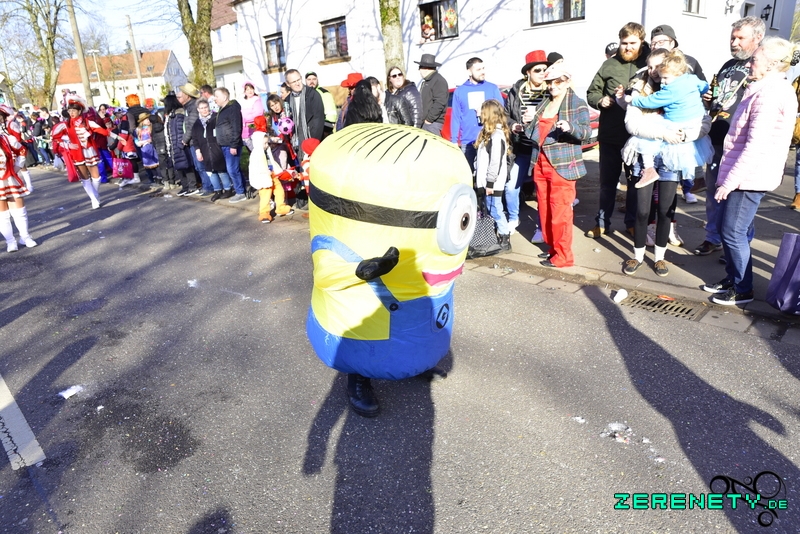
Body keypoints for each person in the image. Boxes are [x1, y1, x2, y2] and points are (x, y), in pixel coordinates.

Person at [703, 37, 799, 305]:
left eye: (754, 60)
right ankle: (734, 278)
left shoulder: (770, 94)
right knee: (732, 230)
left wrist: (729, 182)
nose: (748, 64)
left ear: (772, 65)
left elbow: (756, 146)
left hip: (749, 176)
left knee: (733, 232)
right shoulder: (763, 88)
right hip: (745, 174)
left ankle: (743, 289)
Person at [616, 49, 705, 277]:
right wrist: (662, 133)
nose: (654, 71)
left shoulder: (684, 88)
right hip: (645, 154)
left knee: (666, 210)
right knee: (642, 210)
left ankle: (659, 258)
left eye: (659, 66)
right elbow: (632, 124)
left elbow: (703, 120)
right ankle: (637, 256)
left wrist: (687, 135)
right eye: (651, 66)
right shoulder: (640, 89)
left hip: (671, 155)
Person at [694, 16, 766, 257]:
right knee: (714, 193)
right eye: (732, 37)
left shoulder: (762, 66)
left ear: (757, 38)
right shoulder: (729, 64)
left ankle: (737, 246)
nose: (734, 43)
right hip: (717, 138)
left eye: (740, 38)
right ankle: (713, 237)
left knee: (738, 200)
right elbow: (720, 97)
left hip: (741, 143)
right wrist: (709, 100)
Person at [586, 22, 650, 239]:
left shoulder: (649, 63)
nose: (627, 47)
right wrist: (600, 100)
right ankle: (602, 223)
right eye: (624, 43)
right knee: (607, 184)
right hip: (611, 136)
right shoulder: (609, 65)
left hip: (637, 137)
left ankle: (631, 223)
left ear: (641, 41)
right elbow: (592, 92)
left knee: (634, 183)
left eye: (632, 43)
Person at [525, 62, 592, 268]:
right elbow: (536, 133)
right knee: (545, 209)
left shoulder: (577, 103)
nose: (553, 86)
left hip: (563, 165)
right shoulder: (544, 102)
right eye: (549, 82)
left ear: (567, 81)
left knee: (560, 211)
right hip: (540, 162)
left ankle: (563, 257)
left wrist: (571, 127)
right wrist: (525, 124)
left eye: (558, 82)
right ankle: (553, 249)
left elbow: (586, 133)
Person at [624, 49, 712, 190]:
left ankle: (648, 169)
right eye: (649, 67)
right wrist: (702, 92)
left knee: (647, 136)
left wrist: (633, 100)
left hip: (676, 123)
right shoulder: (692, 79)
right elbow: (704, 85)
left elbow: (650, 101)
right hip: (695, 120)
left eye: (665, 77)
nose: (663, 81)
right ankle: (698, 179)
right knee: (693, 151)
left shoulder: (670, 90)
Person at [648, 24, 707, 203]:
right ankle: (658, 196)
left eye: (661, 41)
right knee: (663, 163)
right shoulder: (650, 63)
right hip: (661, 120)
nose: (656, 45)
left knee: (685, 157)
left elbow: (702, 85)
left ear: (672, 43)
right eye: (653, 43)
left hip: (685, 119)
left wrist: (705, 98)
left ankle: (688, 188)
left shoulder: (689, 62)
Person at [505, 50, 552, 242]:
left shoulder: (550, 91)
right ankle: (513, 219)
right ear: (528, 73)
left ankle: (541, 228)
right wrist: (513, 126)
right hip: (521, 149)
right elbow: (506, 115)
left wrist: (537, 118)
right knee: (511, 187)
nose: (542, 73)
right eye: (537, 70)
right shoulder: (516, 91)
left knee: (541, 191)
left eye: (544, 69)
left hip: (541, 150)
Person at [59, 95, 118, 209]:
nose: (71, 113)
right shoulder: (66, 125)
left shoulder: (87, 122)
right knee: (85, 178)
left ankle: (95, 195)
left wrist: (118, 137)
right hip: (76, 153)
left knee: (97, 177)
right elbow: (56, 138)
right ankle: (93, 199)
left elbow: (103, 131)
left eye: (74, 110)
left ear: (80, 111)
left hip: (89, 151)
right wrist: (67, 144)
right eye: (69, 111)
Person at [450, 57, 504, 174]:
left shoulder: (492, 88)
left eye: (483, 68)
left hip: (489, 139)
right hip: (468, 141)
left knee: (487, 175)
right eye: (478, 69)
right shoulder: (460, 91)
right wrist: (454, 140)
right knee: (467, 174)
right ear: (469, 72)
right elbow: (456, 117)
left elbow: (501, 113)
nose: (482, 72)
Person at [474, 99, 512, 252]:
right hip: (487, 182)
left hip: (493, 183)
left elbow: (495, 162)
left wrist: (490, 183)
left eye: (481, 112)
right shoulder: (487, 134)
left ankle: (505, 240)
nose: (478, 114)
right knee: (492, 209)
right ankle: (497, 237)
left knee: (496, 209)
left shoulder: (497, 136)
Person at [0, 104, 37, 251]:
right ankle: (10, 241)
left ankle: (25, 237)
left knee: (19, 209)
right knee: (2, 214)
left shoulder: (7, 138)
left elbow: (22, 150)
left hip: (10, 178)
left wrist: (16, 167)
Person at [248, 115, 293, 223]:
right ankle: (264, 213)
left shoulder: (266, 150)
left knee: (279, 190)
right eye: (264, 143)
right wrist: (264, 172)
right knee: (265, 195)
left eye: (266, 143)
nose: (266, 145)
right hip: (264, 177)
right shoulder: (256, 154)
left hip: (272, 174)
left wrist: (277, 170)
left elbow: (272, 161)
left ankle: (281, 207)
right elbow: (255, 167)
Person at [192, 98, 233, 202]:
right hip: (205, 150)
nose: (204, 110)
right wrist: (197, 151)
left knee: (221, 170)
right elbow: (195, 139)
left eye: (205, 107)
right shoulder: (196, 124)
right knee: (211, 172)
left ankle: (227, 189)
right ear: (198, 110)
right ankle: (217, 190)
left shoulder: (215, 118)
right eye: (201, 108)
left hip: (216, 148)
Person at [213, 87, 247, 203]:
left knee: (232, 169)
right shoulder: (222, 109)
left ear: (224, 97)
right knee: (234, 169)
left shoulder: (232, 108)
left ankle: (240, 192)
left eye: (217, 96)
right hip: (225, 144)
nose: (215, 99)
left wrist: (233, 145)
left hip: (231, 144)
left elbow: (236, 127)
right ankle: (242, 189)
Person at [177, 83, 211, 193]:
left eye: (182, 93)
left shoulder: (192, 107)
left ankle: (208, 187)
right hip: (192, 141)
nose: (179, 96)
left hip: (195, 141)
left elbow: (191, 125)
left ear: (187, 95)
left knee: (201, 165)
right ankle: (206, 185)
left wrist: (185, 139)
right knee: (198, 166)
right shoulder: (188, 107)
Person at [283, 69, 324, 159]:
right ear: (288, 84)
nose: (297, 83)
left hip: (311, 138)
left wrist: (313, 141)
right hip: (297, 140)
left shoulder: (313, 94)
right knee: (302, 165)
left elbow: (318, 119)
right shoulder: (288, 99)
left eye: (298, 80)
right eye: (294, 82)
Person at [164, 94, 199, 197]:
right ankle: (185, 186)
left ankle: (192, 186)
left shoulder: (178, 114)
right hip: (173, 144)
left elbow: (180, 130)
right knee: (179, 167)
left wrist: (180, 143)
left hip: (179, 144)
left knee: (186, 166)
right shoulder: (171, 115)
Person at [415, 53, 449, 135]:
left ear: (425, 68)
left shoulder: (438, 81)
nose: (419, 70)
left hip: (432, 124)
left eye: (419, 67)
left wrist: (429, 120)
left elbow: (440, 102)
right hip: (427, 124)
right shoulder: (428, 81)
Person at [305, 72, 337, 136]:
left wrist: (326, 130)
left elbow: (331, 114)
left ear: (317, 80)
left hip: (323, 130)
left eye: (314, 79)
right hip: (309, 130)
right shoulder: (304, 94)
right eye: (309, 79)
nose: (312, 81)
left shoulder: (324, 93)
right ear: (305, 81)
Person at [240, 81, 264, 150]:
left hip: (254, 127)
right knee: (248, 148)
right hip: (244, 129)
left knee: (255, 148)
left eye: (251, 89)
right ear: (244, 92)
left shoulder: (256, 100)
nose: (250, 91)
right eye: (247, 89)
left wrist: (245, 118)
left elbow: (258, 113)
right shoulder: (242, 101)